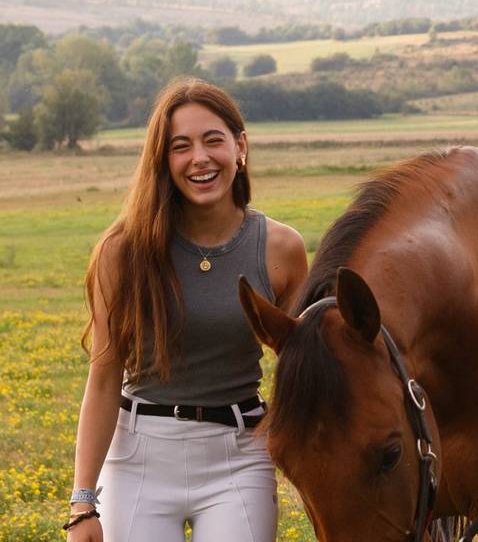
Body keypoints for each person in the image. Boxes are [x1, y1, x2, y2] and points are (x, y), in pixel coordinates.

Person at [65, 77, 308, 542]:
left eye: (213, 140)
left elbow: (304, 369)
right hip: (138, 457)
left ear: (240, 146)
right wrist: (82, 504)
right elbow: (102, 381)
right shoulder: (123, 252)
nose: (200, 158)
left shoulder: (280, 248)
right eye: (181, 146)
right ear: (163, 160)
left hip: (238, 456)